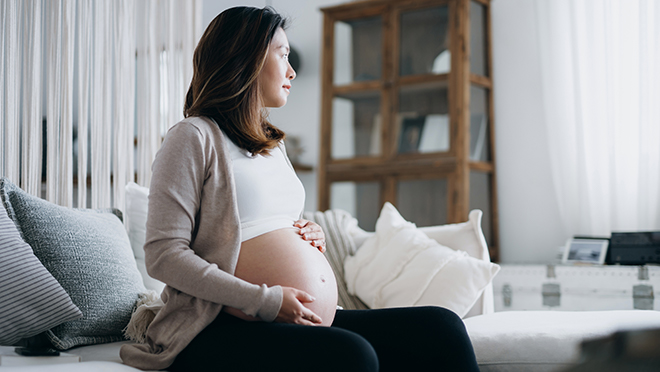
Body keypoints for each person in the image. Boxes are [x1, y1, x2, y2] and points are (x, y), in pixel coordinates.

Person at [120, 6, 480, 372]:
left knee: (441, 327)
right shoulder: (193, 136)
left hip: (296, 318)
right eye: (283, 54)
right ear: (247, 58)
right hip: (218, 325)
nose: (291, 71)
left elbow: (273, 226)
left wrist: (312, 235)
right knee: (352, 356)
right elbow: (164, 255)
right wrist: (266, 301)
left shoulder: (273, 145)